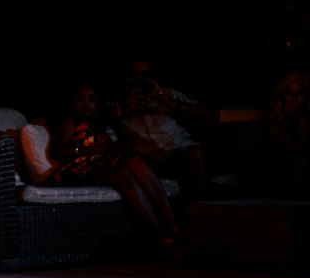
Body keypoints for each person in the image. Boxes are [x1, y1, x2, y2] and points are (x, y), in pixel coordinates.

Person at [47, 84, 183, 256]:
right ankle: (162, 236)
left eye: (91, 99)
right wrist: (93, 150)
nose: (86, 103)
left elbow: (120, 120)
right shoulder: (70, 120)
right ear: (73, 101)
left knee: (134, 159)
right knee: (122, 176)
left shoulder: (99, 120)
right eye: (81, 98)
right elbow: (57, 151)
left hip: (104, 160)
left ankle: (174, 224)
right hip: (79, 166)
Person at [117, 59, 213, 199]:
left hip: (178, 152)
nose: (140, 79)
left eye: (145, 74)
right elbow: (97, 114)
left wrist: (173, 105)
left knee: (194, 152)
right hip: (148, 159)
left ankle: (205, 203)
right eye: (134, 74)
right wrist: (125, 109)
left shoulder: (168, 95)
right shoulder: (119, 103)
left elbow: (210, 115)